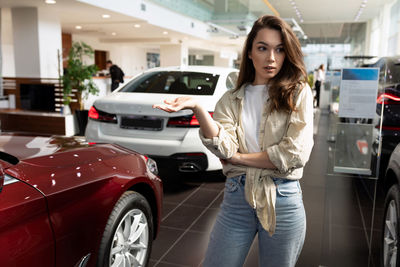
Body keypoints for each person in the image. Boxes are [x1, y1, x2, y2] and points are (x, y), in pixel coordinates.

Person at [153, 15, 314, 267]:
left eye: (279, 49)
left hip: (282, 198)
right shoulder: (231, 99)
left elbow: (293, 154)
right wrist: (197, 108)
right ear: (250, 52)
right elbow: (224, 146)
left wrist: (238, 158)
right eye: (262, 48)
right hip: (237, 197)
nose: (271, 58)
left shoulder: (298, 93)